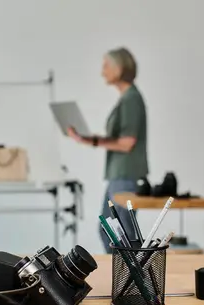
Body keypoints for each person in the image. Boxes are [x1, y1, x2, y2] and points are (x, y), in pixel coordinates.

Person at [67, 48, 148, 253]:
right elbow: (118, 140)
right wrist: (84, 139)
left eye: (106, 66)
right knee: (111, 232)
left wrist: (91, 141)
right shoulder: (127, 98)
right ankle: (127, 281)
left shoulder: (131, 99)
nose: (102, 71)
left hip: (125, 176)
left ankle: (133, 283)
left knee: (124, 237)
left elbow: (127, 142)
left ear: (119, 68)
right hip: (118, 176)